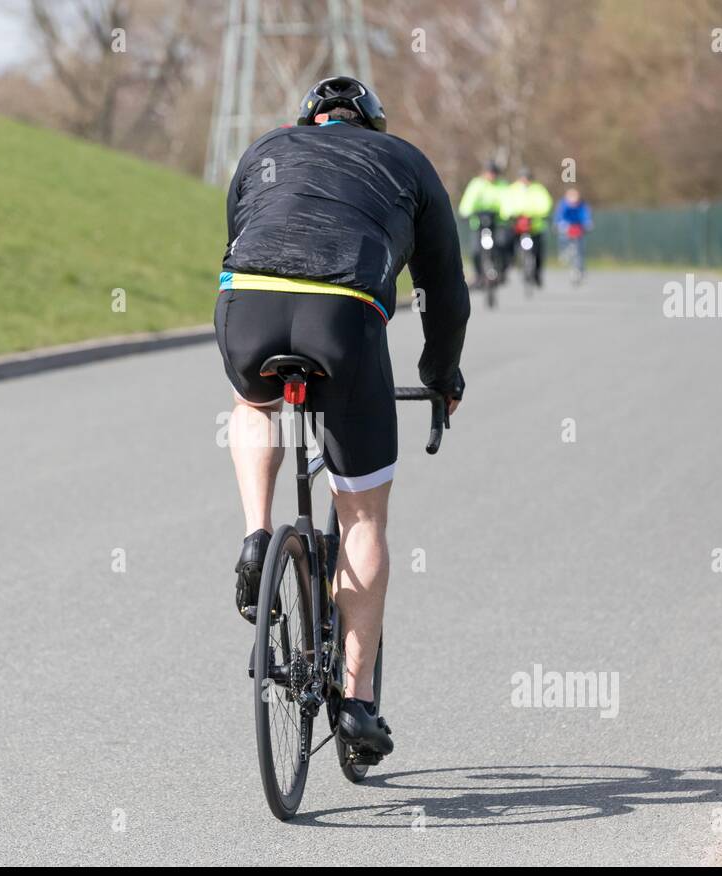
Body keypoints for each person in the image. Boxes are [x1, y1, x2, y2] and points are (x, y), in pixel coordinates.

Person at [215, 76, 470, 757]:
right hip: (343, 313)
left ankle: (256, 534)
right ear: (373, 126)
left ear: (309, 120)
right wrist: (440, 378)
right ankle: (356, 704)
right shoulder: (408, 163)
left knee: (253, 402)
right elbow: (445, 293)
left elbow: (245, 232)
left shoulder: (268, 146)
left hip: (249, 302)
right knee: (362, 514)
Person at [500, 167, 554, 286]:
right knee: (506, 245)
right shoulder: (512, 190)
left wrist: (536, 215)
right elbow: (505, 205)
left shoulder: (538, 189)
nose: (525, 180)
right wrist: (510, 215)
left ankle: (537, 273)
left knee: (538, 251)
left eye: (527, 178)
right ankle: (505, 268)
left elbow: (545, 204)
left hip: (534, 225)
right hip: (516, 225)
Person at [457, 159, 506, 289]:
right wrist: (465, 212)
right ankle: (478, 275)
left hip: (496, 222)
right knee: (476, 251)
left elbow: (507, 201)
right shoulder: (476, 185)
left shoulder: (502, 185)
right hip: (478, 223)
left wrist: (506, 214)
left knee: (501, 246)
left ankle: (500, 272)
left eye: (494, 173)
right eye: (490, 173)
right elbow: (469, 200)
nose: (492, 176)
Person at [555, 188, 593, 279]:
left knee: (580, 249)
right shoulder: (563, 205)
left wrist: (587, 223)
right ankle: (564, 253)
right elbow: (559, 216)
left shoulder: (582, 205)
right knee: (563, 238)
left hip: (578, 227)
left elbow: (586, 216)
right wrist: (560, 224)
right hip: (567, 227)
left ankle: (581, 268)